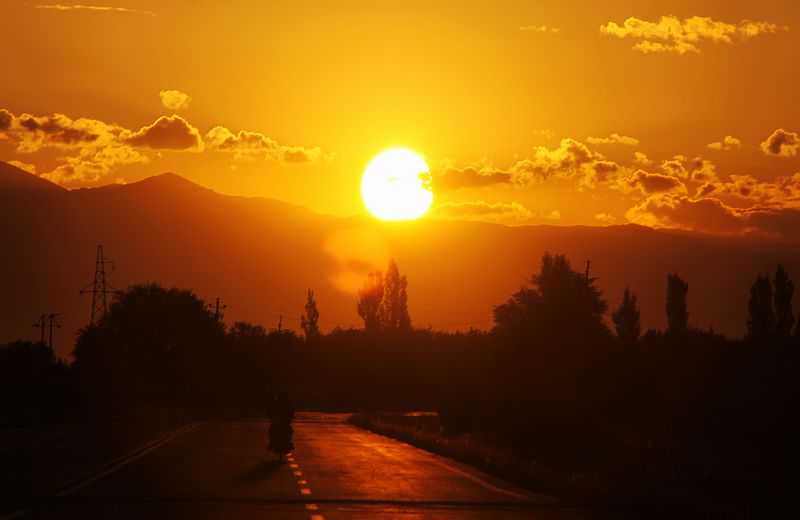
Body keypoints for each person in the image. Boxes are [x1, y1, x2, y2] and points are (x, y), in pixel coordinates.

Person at [267, 390, 295, 460]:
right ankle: (273, 443)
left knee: (288, 431)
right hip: (278, 421)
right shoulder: (277, 404)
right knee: (272, 431)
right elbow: (269, 411)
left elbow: (291, 413)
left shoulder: (282, 404)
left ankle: (274, 443)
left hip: (282, 421)